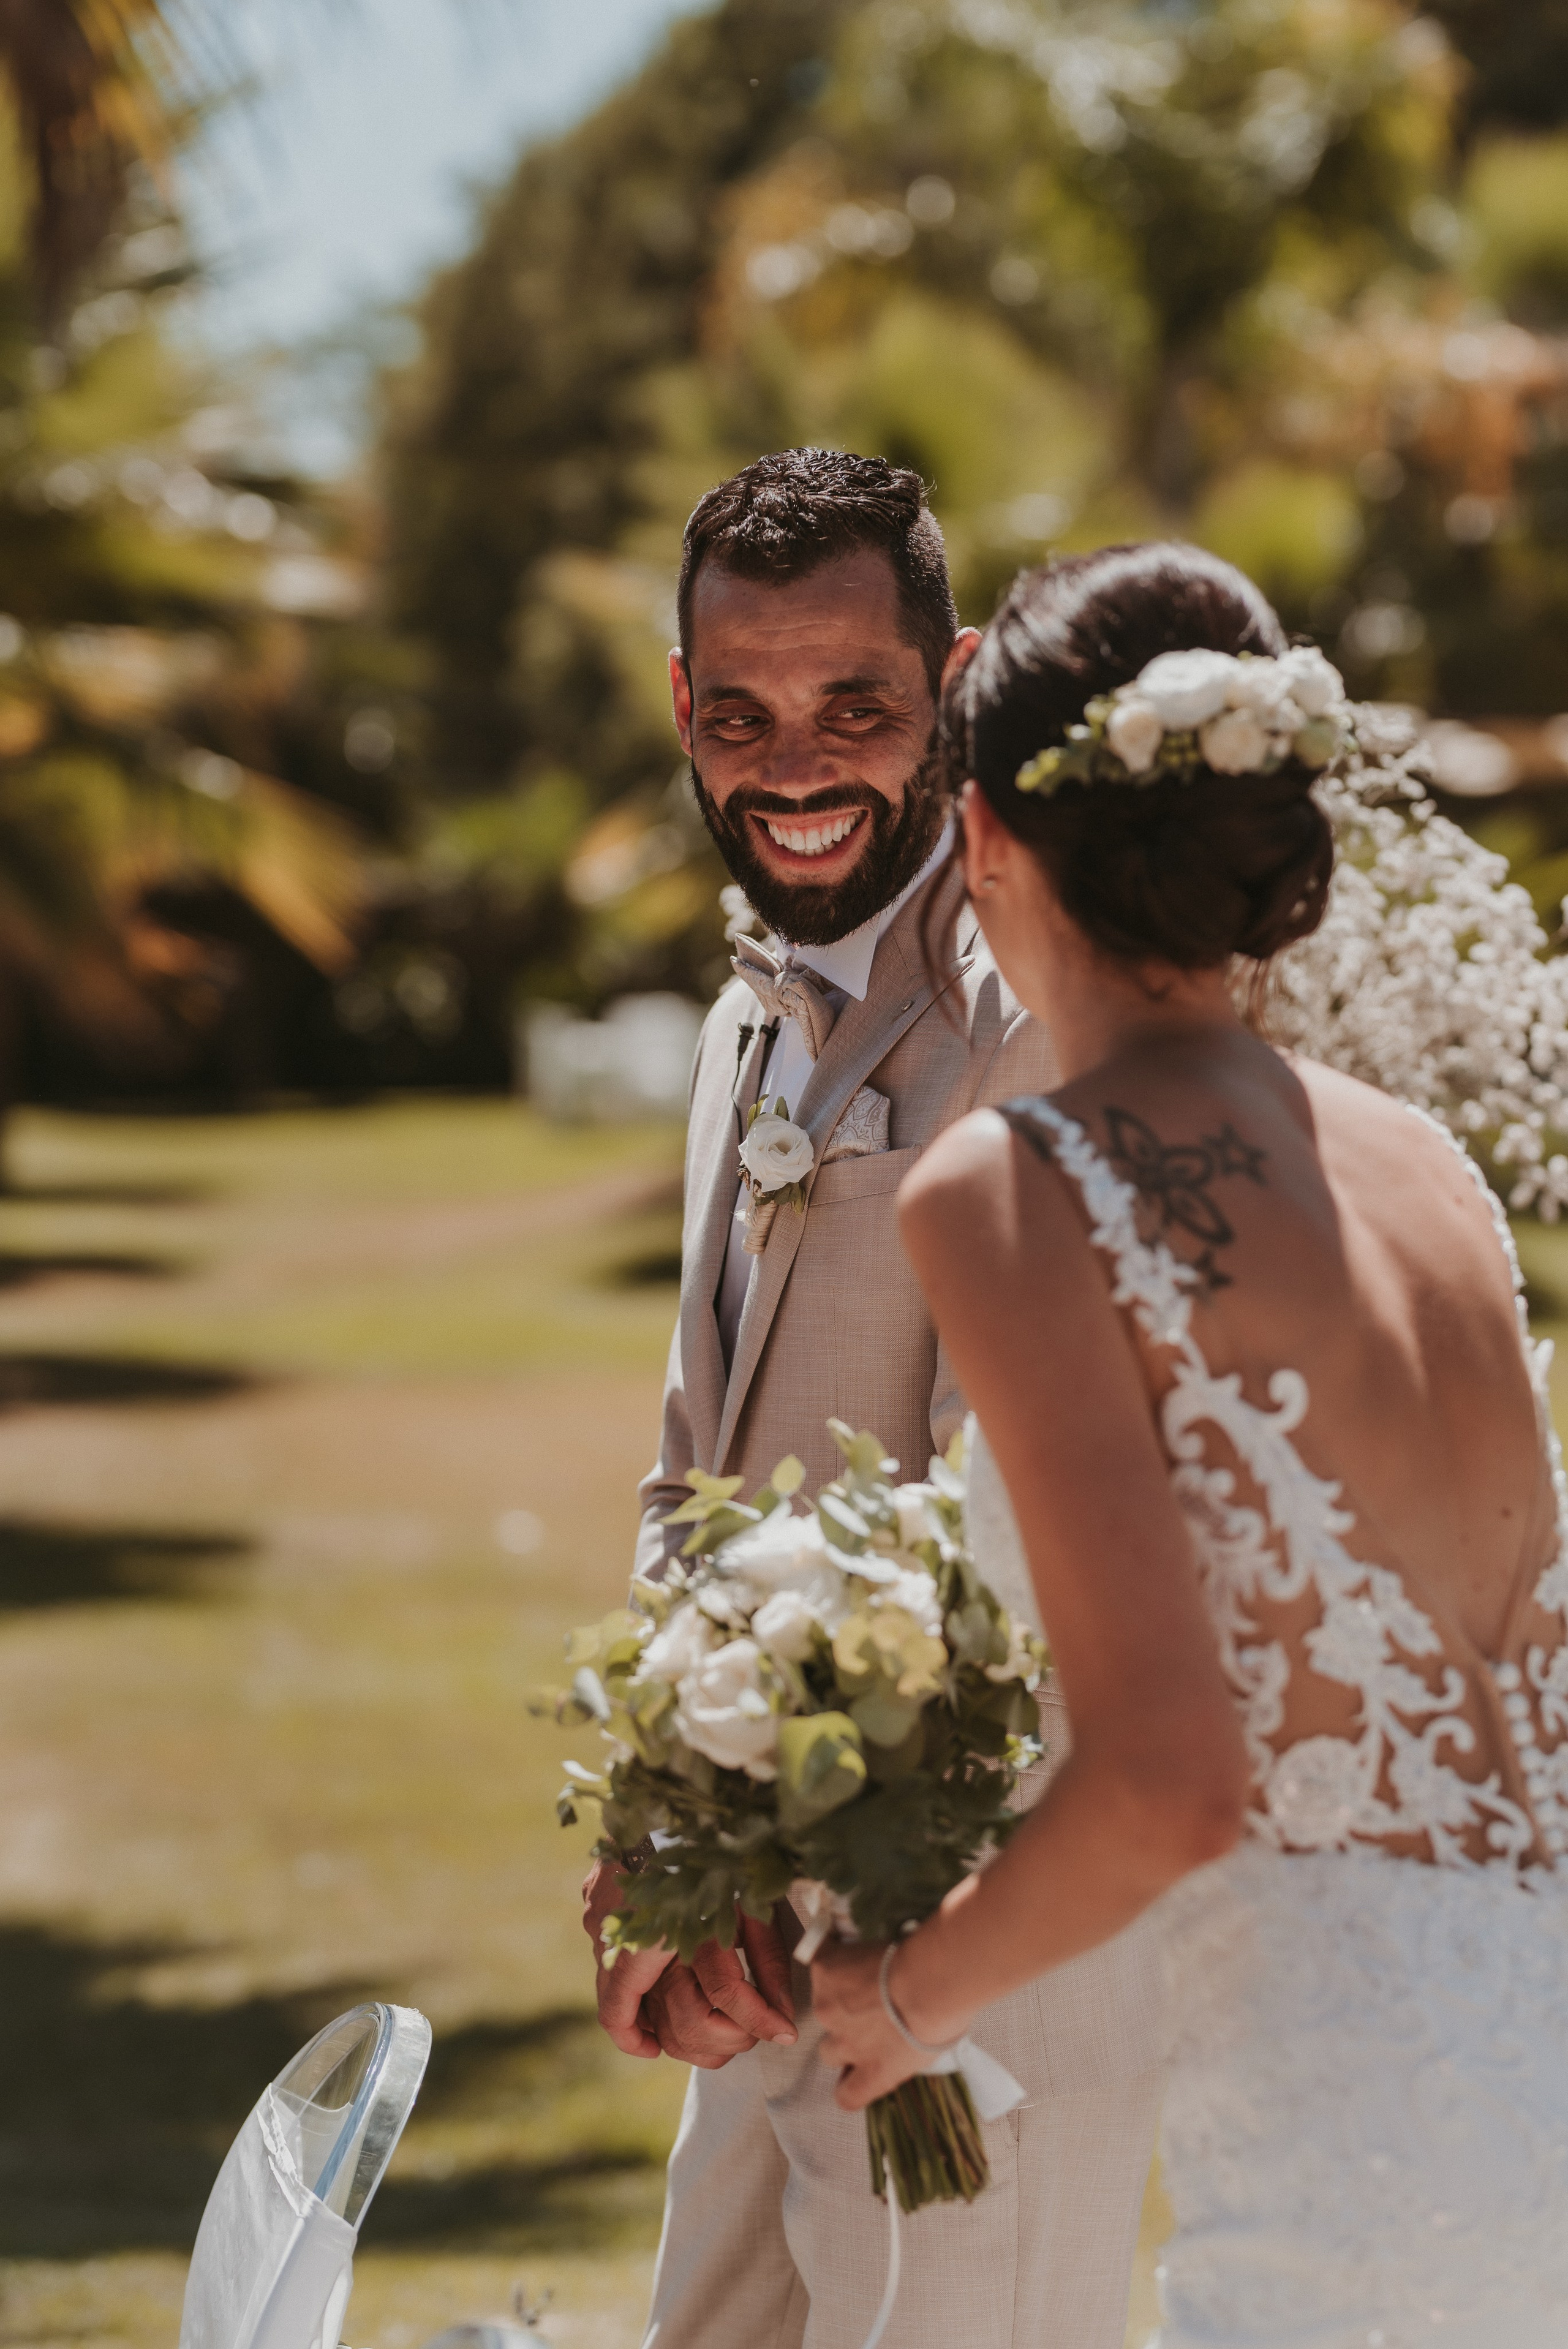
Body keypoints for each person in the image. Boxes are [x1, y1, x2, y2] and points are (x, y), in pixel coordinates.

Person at [812, 539, 1568, 2346]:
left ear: (981, 832)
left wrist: (905, 1999)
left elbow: (1174, 1777)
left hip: (1362, 2138)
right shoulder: (1424, 1169)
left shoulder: (1028, 1183)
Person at [583, 452, 1169, 2349]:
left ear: (960, 678)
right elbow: (697, 1455)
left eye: (859, 707)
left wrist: (860, 1913)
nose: (798, 767)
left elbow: (1022, 1560)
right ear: (683, 702)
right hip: (753, 1939)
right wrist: (660, 1849)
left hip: (965, 1978)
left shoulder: (1038, 1026)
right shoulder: (743, 1012)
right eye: (741, 715)